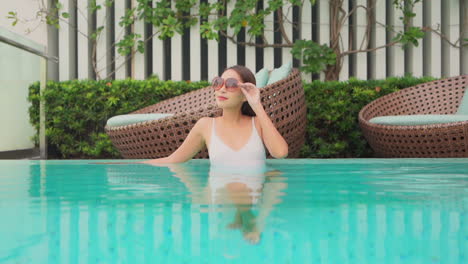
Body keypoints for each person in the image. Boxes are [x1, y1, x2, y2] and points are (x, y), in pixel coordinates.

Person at [140, 64, 288, 165]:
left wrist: (257, 105)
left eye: (231, 84)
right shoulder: (206, 125)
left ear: (245, 95)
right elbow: (173, 160)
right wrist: (135, 166)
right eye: (218, 82)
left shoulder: (258, 123)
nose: (222, 89)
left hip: (252, 207)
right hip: (219, 206)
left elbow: (280, 153)